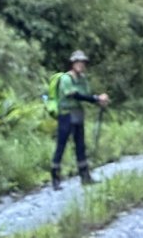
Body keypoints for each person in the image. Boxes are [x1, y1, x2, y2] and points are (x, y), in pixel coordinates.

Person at [50, 50, 109, 189]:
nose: (80, 65)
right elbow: (74, 95)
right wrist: (96, 99)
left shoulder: (83, 79)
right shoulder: (66, 79)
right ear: (73, 63)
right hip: (66, 114)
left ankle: (85, 176)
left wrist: (98, 100)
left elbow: (85, 94)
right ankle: (55, 178)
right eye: (78, 62)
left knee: (81, 146)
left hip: (78, 114)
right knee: (61, 145)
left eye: (82, 62)